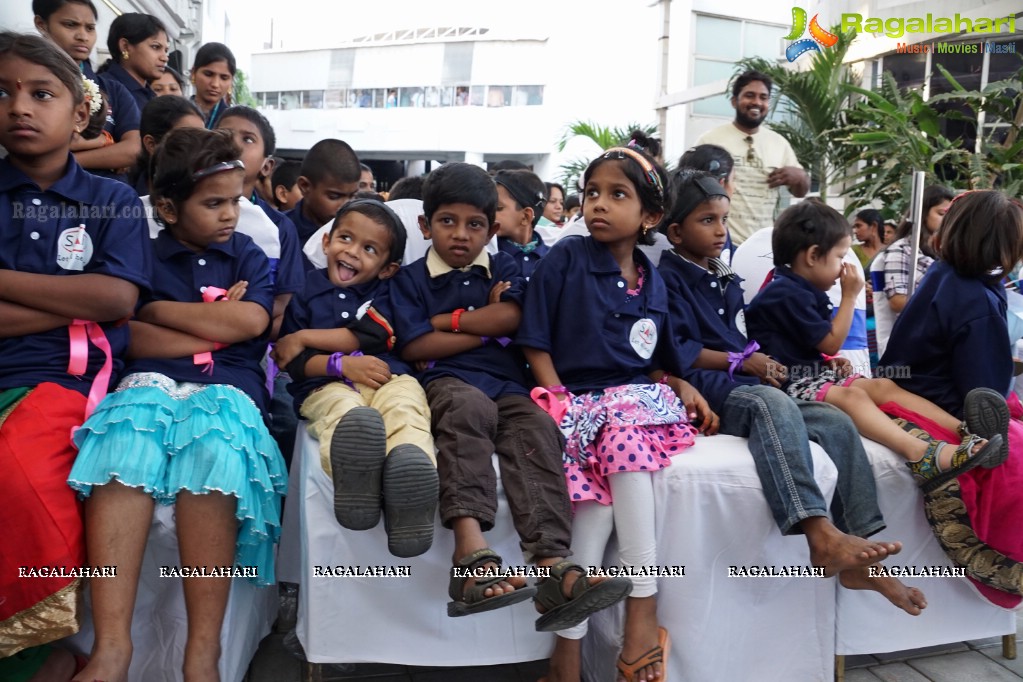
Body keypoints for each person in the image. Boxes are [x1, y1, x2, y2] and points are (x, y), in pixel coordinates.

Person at [67, 127, 287, 682]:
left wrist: (159, 311)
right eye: (213, 203)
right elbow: (131, 340)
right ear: (166, 207)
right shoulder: (141, 253)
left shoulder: (249, 256)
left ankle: (201, 656)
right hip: (150, 377)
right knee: (125, 435)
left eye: (235, 200)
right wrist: (215, 329)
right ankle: (112, 650)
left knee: (215, 447)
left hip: (229, 387)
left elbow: (253, 322)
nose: (230, 214)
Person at [658, 170, 923, 615]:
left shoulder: (722, 275)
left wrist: (760, 361)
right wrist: (741, 361)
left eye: (723, 219)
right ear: (675, 231)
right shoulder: (669, 279)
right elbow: (677, 349)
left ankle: (863, 552)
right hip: (710, 385)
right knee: (771, 402)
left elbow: (744, 339)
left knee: (834, 420)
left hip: (744, 378)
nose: (721, 230)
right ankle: (820, 536)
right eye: (707, 220)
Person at [390, 162, 632, 634]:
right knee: (468, 411)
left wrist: (452, 323)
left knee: (536, 428)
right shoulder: (411, 279)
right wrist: (483, 323)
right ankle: (468, 553)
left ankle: (550, 567)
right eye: (447, 222)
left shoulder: (506, 266)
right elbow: (416, 347)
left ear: (493, 228)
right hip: (448, 383)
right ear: (425, 224)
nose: (461, 235)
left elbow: (515, 319)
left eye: (474, 224)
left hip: (509, 386)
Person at [519, 148, 703, 682]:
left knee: (620, 435)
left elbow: (660, 362)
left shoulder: (654, 276)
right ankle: (633, 618)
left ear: (649, 217)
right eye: (592, 192)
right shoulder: (568, 257)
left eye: (617, 195)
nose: (598, 204)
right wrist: (560, 401)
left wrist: (681, 380)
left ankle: (575, 650)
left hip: (631, 405)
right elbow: (535, 340)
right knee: (597, 507)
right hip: (573, 401)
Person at [0, 31, 150, 682]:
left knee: (19, 470)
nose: (19, 107)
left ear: (79, 113)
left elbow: (116, 297)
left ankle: (38, 648)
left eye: (41, 93)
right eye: (2, 93)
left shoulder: (110, 200)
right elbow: (91, 296)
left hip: (63, 380)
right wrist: (71, 301)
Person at [745, 200, 1004, 493]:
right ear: (813, 256)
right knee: (853, 398)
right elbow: (831, 339)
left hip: (807, 374)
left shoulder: (799, 289)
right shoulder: (783, 292)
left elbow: (805, 344)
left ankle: (968, 431)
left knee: (881, 386)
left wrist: (827, 360)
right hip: (783, 383)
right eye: (840, 256)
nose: (844, 266)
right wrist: (849, 296)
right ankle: (921, 454)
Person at [273, 199, 439, 557]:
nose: (352, 252)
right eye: (345, 239)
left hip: (388, 376)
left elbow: (369, 335)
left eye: (368, 249)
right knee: (343, 414)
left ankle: (410, 481)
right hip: (324, 385)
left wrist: (305, 338)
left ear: (387, 268)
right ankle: (356, 486)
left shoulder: (387, 291)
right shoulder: (305, 291)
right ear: (326, 241)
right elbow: (292, 363)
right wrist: (338, 367)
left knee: (406, 408)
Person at [880, 190, 1023, 603]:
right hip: (939, 399)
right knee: (1013, 450)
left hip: (907, 385)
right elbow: (985, 385)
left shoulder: (945, 274)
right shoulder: (977, 299)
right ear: (1006, 247)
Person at [696, 69, 809, 245]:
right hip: (719, 243)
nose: (757, 102)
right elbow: (690, 187)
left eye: (763, 97)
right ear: (734, 101)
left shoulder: (779, 143)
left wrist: (800, 177)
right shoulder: (710, 140)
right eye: (750, 95)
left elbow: (800, 191)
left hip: (762, 245)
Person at [33, 0, 142, 180]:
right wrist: (106, 145)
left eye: (90, 28)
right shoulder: (29, 83)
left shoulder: (113, 89)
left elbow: (133, 150)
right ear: (41, 24)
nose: (83, 36)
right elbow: (34, 143)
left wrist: (67, 160)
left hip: (107, 200)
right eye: (70, 25)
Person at [870, 185, 954, 357]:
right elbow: (897, 301)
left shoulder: (942, 251)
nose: (946, 221)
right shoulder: (902, 250)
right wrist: (945, 306)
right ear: (923, 214)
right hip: (908, 344)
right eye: (941, 213)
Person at [286, 138, 361, 266]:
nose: (345, 207)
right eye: (334, 196)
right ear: (304, 186)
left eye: (353, 196)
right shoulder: (280, 233)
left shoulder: (362, 235)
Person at [128, 94, 204, 194]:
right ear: (151, 144)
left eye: (203, 139)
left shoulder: (209, 191)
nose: (200, 149)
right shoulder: (125, 200)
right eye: (187, 139)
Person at [95, 12, 168, 112]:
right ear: (125, 46)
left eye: (166, 50)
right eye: (155, 47)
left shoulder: (151, 96)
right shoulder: (103, 90)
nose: (165, 58)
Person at [493, 169, 550, 280]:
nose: (489, 213)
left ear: (526, 217)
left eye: (498, 208)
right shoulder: (488, 254)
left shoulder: (554, 258)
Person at [189, 42, 235, 129]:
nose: (215, 84)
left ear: (231, 81)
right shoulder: (177, 115)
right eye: (208, 74)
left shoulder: (234, 122)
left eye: (224, 78)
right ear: (193, 73)